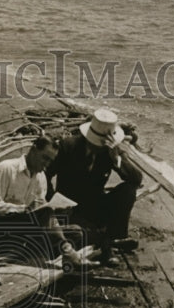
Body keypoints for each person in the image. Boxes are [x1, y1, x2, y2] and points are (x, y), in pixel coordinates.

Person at [45, 108, 142, 264]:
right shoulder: (67, 146)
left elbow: (136, 179)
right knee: (79, 234)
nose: (99, 147)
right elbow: (45, 174)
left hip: (95, 206)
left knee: (128, 190)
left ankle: (115, 237)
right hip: (69, 207)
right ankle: (106, 242)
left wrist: (117, 160)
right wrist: (52, 201)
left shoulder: (111, 151)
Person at [0, 136, 87, 268]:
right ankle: (65, 250)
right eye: (44, 158)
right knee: (44, 213)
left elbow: (46, 216)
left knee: (76, 232)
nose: (46, 164)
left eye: (50, 161)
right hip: (0, 229)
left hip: (27, 230)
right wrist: (24, 209)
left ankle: (31, 254)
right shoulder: (6, 168)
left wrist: (57, 210)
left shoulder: (40, 177)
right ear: (33, 150)